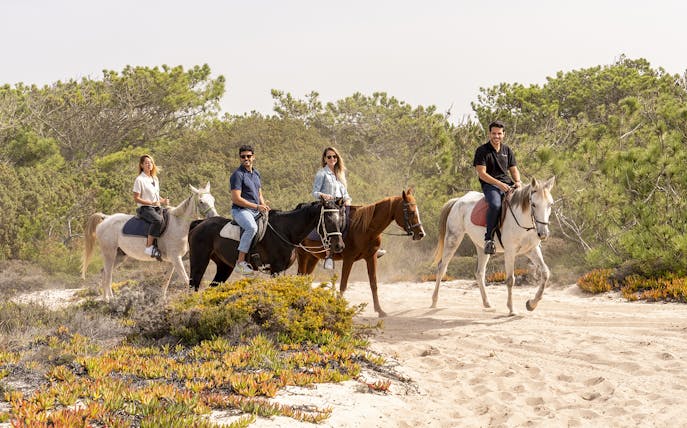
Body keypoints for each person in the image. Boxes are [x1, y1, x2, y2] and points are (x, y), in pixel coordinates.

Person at [312, 146, 385, 270]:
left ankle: (370, 248)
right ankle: (329, 255)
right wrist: (324, 195)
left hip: (342, 205)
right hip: (328, 206)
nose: (332, 159)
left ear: (337, 158)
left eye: (334, 156)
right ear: (325, 159)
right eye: (329, 157)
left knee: (361, 218)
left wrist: (347, 199)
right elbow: (314, 192)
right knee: (333, 223)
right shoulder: (322, 173)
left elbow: (345, 192)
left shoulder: (340, 174)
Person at [473, 120, 522, 255]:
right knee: (495, 205)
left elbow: (513, 169)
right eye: (494, 133)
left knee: (526, 201)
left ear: (503, 134)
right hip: (490, 186)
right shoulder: (482, 151)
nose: (496, 136)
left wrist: (518, 181)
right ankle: (489, 239)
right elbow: (482, 174)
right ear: (489, 134)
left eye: (499, 134)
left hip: (507, 184)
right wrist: (499, 184)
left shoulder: (507, 150)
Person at [230, 144, 270, 275]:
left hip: (256, 209)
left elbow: (259, 194)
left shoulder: (256, 173)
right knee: (251, 228)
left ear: (254, 157)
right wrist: (257, 206)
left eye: (248, 156)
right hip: (241, 211)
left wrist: (263, 206)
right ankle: (240, 263)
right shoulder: (237, 175)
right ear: (239, 158)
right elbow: (236, 199)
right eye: (243, 156)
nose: (246, 158)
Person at [132, 154, 169, 257]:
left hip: (156, 207)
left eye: (151, 162)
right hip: (144, 208)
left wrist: (163, 201)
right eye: (146, 163)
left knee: (169, 218)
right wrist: (150, 203)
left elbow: (155, 195)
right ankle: (148, 247)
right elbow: (136, 198)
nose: (149, 164)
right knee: (158, 220)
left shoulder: (155, 178)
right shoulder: (139, 180)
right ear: (142, 165)